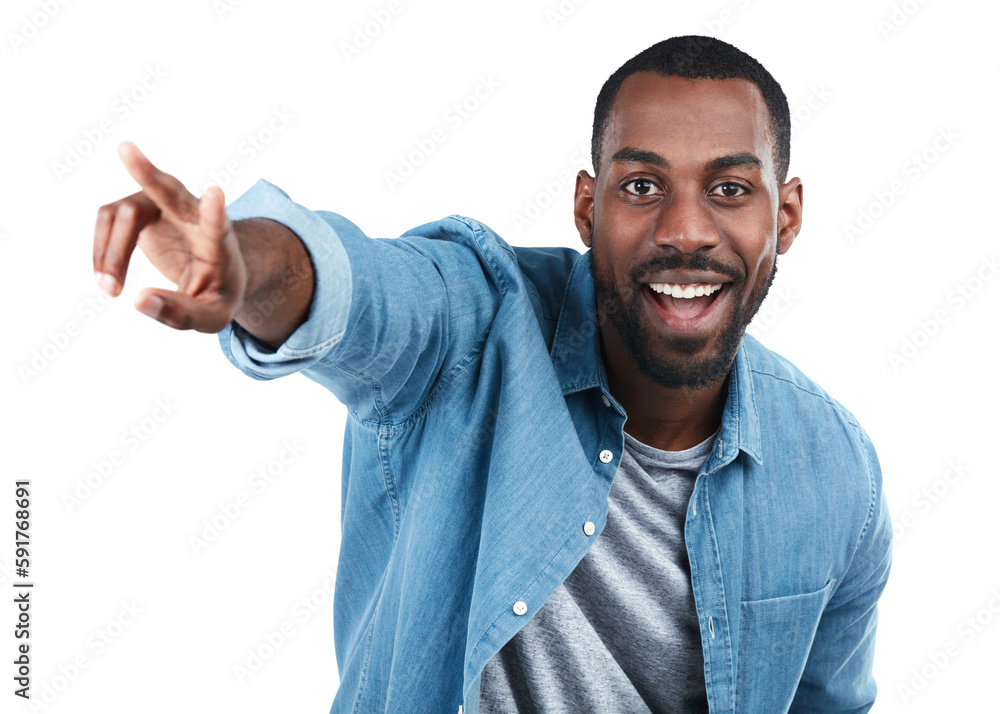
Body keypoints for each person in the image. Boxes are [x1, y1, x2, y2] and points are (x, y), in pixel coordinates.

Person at [91, 34, 892, 714]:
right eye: (642, 186)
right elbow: (362, 290)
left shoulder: (836, 472)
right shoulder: (473, 324)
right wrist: (247, 266)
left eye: (729, 189)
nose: (685, 231)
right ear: (588, 207)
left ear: (784, 216)